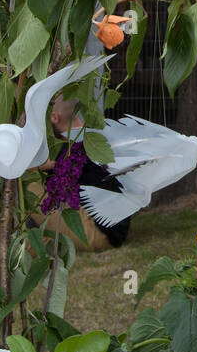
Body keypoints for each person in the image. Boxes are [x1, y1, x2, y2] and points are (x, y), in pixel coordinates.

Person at [27, 95, 130, 252]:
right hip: (115, 228)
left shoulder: (71, 146)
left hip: (98, 232)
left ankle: (28, 247)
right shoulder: (93, 139)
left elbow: (57, 184)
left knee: (27, 183)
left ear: (54, 117)